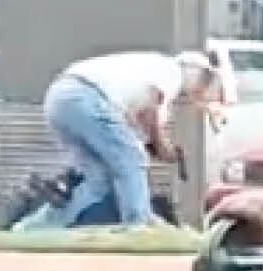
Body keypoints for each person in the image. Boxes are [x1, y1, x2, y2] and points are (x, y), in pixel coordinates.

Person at [14, 50, 221, 231]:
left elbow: (130, 125)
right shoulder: (171, 71)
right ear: (193, 71)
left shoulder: (140, 73)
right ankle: (138, 224)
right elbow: (150, 112)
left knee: (99, 180)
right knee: (132, 157)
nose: (199, 87)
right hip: (85, 95)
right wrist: (160, 145)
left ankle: (33, 228)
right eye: (202, 80)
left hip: (59, 98)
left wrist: (151, 143)